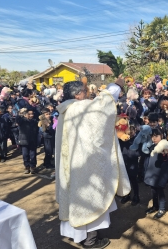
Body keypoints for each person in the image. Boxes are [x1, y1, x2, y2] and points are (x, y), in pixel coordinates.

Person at [55, 79, 130, 249]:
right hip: (84, 169)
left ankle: (80, 237)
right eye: (84, 90)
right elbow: (103, 104)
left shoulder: (65, 109)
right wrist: (116, 85)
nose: (88, 92)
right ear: (77, 95)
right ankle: (91, 241)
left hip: (71, 167)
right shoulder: (80, 108)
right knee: (89, 200)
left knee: (76, 201)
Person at [144, 128, 168, 219]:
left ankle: (162, 208)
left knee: (160, 192)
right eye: (152, 136)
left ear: (162, 136)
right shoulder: (152, 146)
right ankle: (155, 206)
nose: (154, 138)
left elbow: (167, 161)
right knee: (153, 190)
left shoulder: (165, 147)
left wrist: (166, 153)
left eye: (156, 136)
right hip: (152, 173)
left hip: (160, 174)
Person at [119, 125, 141, 206]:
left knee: (133, 180)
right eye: (128, 133)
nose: (130, 134)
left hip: (133, 164)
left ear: (135, 131)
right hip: (124, 163)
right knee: (125, 180)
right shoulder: (123, 139)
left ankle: (136, 196)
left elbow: (139, 152)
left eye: (132, 132)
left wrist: (131, 155)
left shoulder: (137, 140)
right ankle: (127, 195)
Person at [16, 108, 39, 174]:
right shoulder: (22, 121)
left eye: (32, 114)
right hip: (24, 141)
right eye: (29, 114)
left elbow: (36, 131)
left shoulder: (34, 121)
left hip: (32, 140)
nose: (31, 115)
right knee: (25, 154)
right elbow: (17, 119)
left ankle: (33, 167)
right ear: (25, 115)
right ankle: (27, 166)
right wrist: (20, 112)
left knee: (33, 154)